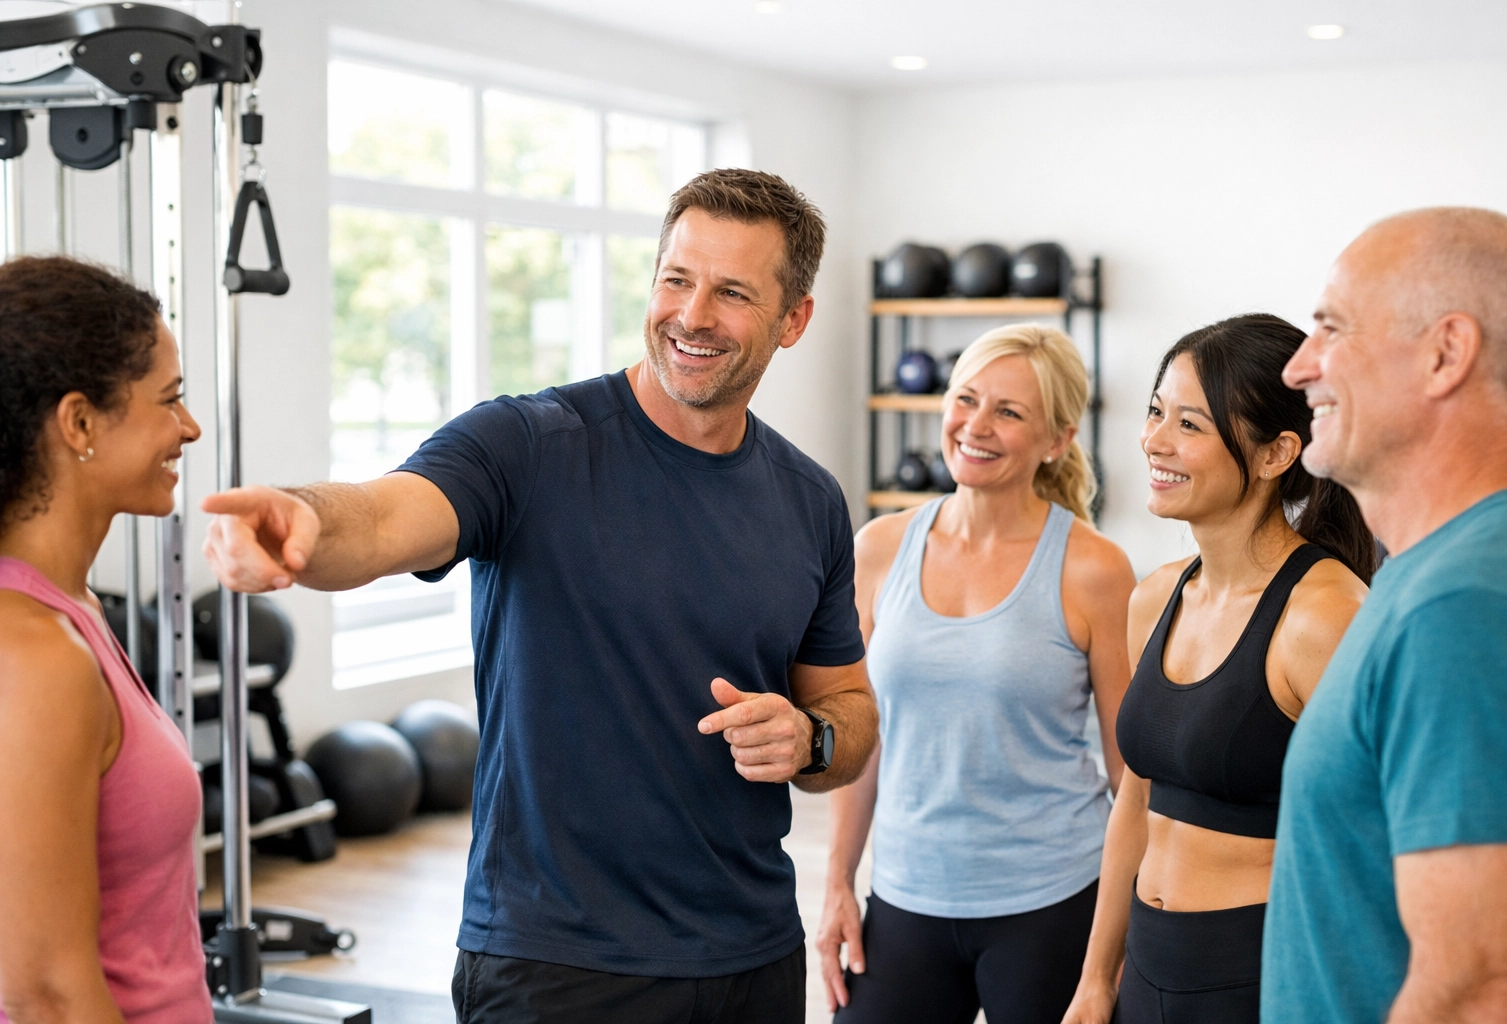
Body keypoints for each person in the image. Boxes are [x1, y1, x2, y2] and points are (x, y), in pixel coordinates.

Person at [201, 168, 879, 1023]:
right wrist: (302, 516)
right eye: (677, 278)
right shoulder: (527, 445)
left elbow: (850, 711)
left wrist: (809, 737)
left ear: (794, 320)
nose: (693, 314)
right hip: (556, 962)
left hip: (752, 957)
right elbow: (382, 516)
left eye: (732, 292)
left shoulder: (808, 499)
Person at [815, 324, 1138, 1023]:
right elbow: (860, 734)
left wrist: (1117, 951)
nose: (976, 426)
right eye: (966, 399)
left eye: (1009, 412)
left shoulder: (1094, 569)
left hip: (1051, 901)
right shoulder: (879, 549)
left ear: (1057, 439)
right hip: (906, 896)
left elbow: (1129, 775)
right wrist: (839, 880)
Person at [1061, 314, 1375, 1024]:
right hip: (1147, 964)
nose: (1154, 440)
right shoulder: (1155, 596)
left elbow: (1378, 844)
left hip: (1262, 974)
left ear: (1276, 454)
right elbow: (1134, 804)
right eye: (1154, 411)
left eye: (1190, 425)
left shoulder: (1324, 616)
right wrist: (1095, 979)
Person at [1264, 208, 1507, 1024]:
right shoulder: (1447, 575)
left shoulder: (1465, 602)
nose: (1298, 368)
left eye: (1331, 328)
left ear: (1445, 354)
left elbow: (1488, 987)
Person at [0, 257, 207, 1024]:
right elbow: (45, 996)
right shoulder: (29, 653)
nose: (187, 428)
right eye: (170, 400)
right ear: (80, 422)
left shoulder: (70, 610)